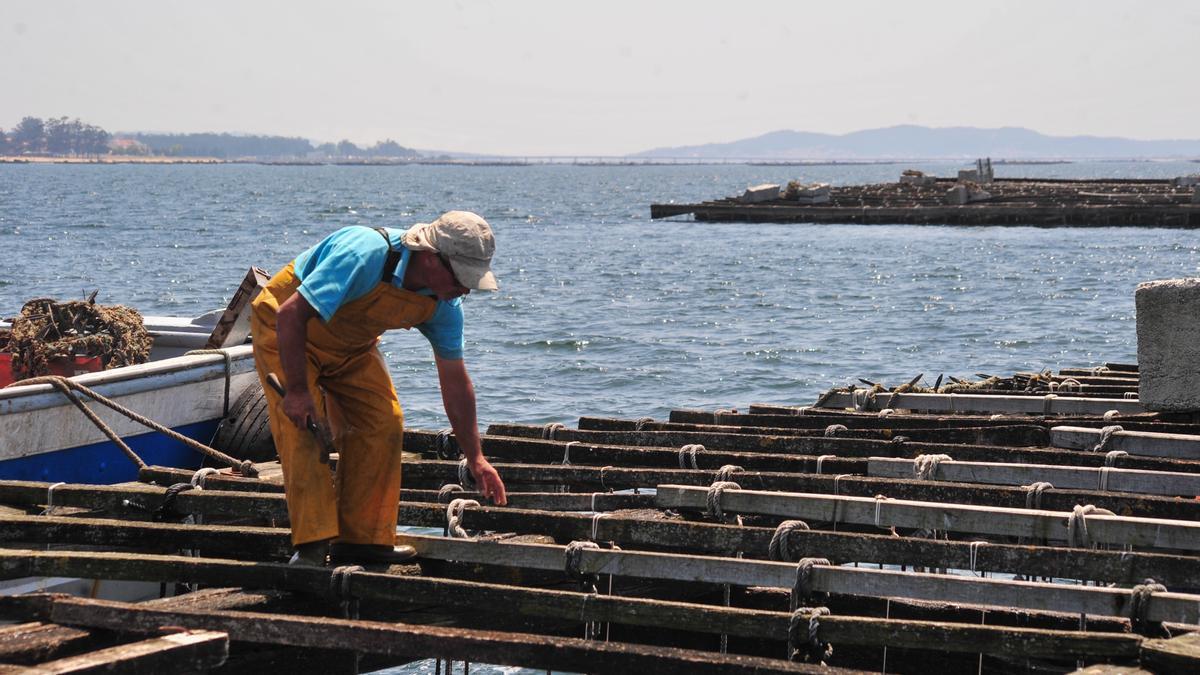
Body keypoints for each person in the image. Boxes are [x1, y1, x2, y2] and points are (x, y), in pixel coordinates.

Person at [250, 211, 508, 566]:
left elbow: (455, 380)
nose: (466, 288)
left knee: (384, 424)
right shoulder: (365, 254)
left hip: (351, 347)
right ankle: (311, 546)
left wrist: (476, 457)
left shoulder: (444, 304)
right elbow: (290, 315)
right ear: (431, 257)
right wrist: (296, 392)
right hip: (287, 328)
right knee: (303, 433)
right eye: (463, 277)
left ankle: (362, 540)